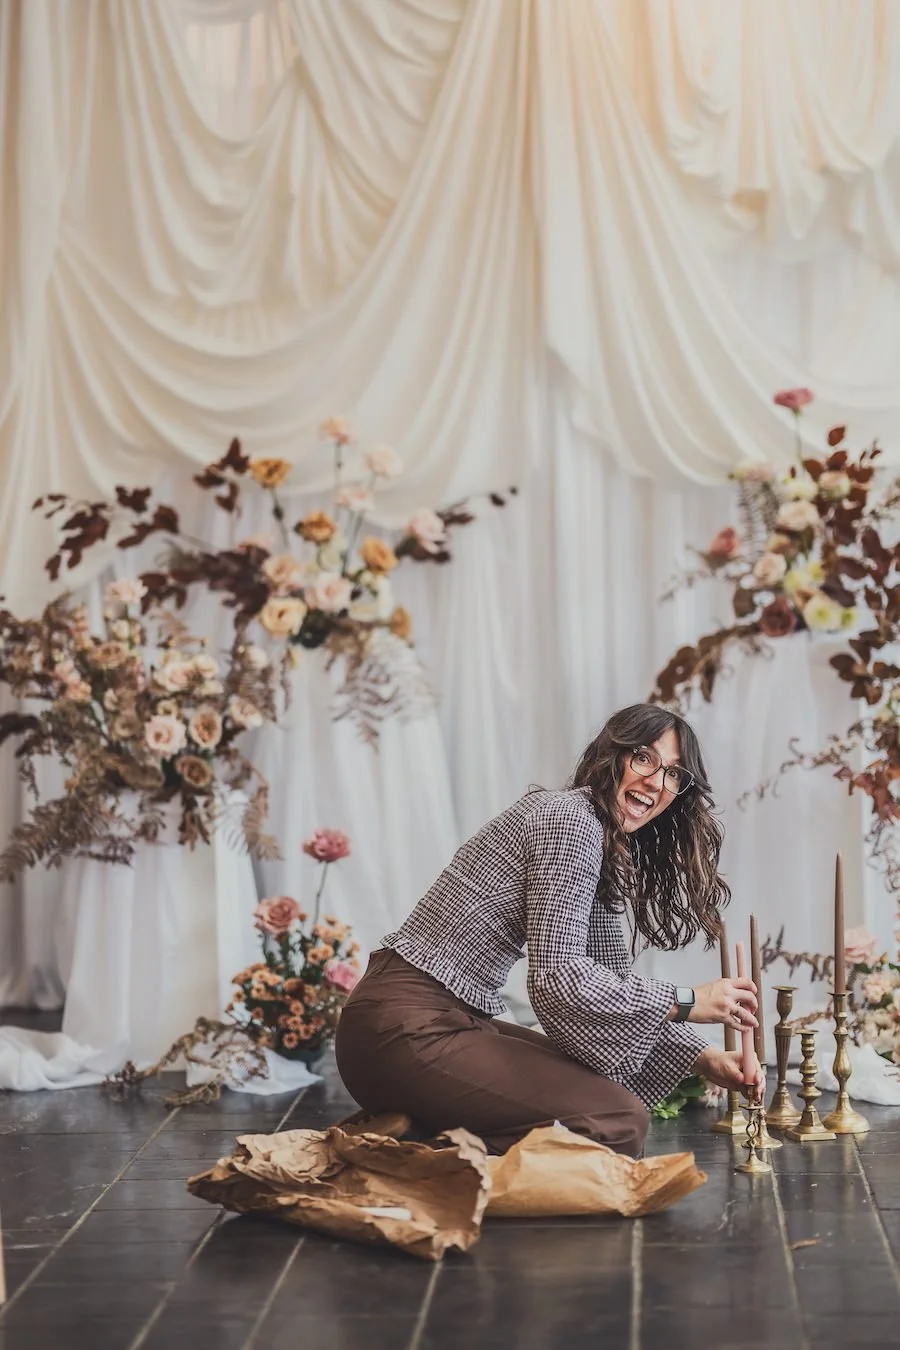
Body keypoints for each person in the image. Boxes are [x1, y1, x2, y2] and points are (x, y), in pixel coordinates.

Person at [335, 703, 761, 1157]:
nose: (656, 782)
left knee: (611, 1102)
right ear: (611, 755)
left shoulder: (597, 836)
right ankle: (410, 1153)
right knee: (617, 1122)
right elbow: (559, 981)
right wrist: (688, 1000)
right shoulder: (570, 820)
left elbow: (603, 982)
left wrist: (705, 1059)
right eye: (643, 758)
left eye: (674, 774)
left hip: (428, 1021)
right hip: (403, 1028)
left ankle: (410, 1130)